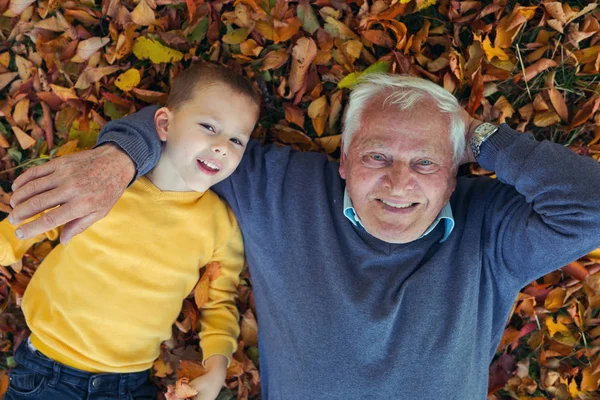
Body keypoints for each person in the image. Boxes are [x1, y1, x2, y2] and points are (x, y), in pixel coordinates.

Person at [7, 73, 600, 399]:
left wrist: (480, 136)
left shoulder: (491, 229)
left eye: (425, 162)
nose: (398, 182)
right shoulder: (281, 188)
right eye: (376, 154)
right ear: (342, 159)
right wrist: (118, 158)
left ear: (455, 174)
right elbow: (189, 128)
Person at [1, 62, 260, 400]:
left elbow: (219, 302)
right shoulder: (104, 185)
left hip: (128, 385)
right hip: (48, 373)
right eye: (209, 126)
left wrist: (215, 368)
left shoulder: (221, 225)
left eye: (237, 140)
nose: (223, 146)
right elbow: (27, 225)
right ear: (165, 123)